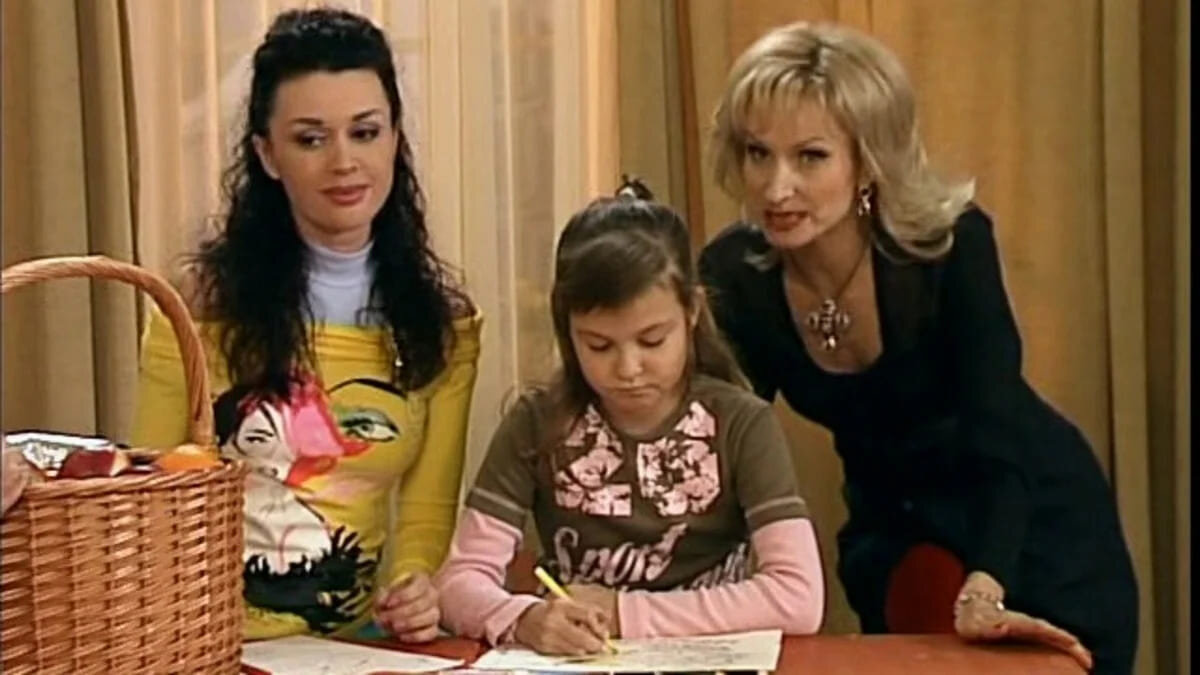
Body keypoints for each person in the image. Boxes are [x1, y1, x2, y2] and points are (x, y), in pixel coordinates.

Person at [698, 21, 1137, 674]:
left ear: (868, 161)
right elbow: (723, 448)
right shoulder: (738, 273)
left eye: (810, 157)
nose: (776, 187)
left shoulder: (950, 248)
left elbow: (1000, 432)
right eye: (758, 153)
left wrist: (986, 586)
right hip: (896, 537)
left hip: (1026, 525)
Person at [132, 8, 481, 643]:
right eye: (311, 139)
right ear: (267, 154)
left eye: (365, 132)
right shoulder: (203, 306)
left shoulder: (441, 322)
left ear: (395, 139)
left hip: (356, 646)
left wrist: (414, 588)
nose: (344, 162)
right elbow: (149, 492)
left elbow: (426, 514)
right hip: (202, 640)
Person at [434, 182, 824, 656]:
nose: (628, 369)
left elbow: (797, 596)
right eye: (599, 345)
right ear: (567, 330)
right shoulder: (537, 423)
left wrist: (626, 613)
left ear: (692, 312)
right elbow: (458, 582)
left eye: (652, 340)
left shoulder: (741, 423)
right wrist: (523, 618)